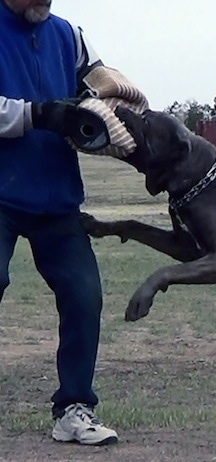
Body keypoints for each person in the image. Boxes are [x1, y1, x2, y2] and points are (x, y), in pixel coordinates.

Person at [0, 0, 128, 445]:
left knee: (83, 294)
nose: (43, 1)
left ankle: (75, 409)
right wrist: (37, 114)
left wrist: (98, 107)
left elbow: (99, 85)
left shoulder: (69, 36)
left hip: (57, 197)